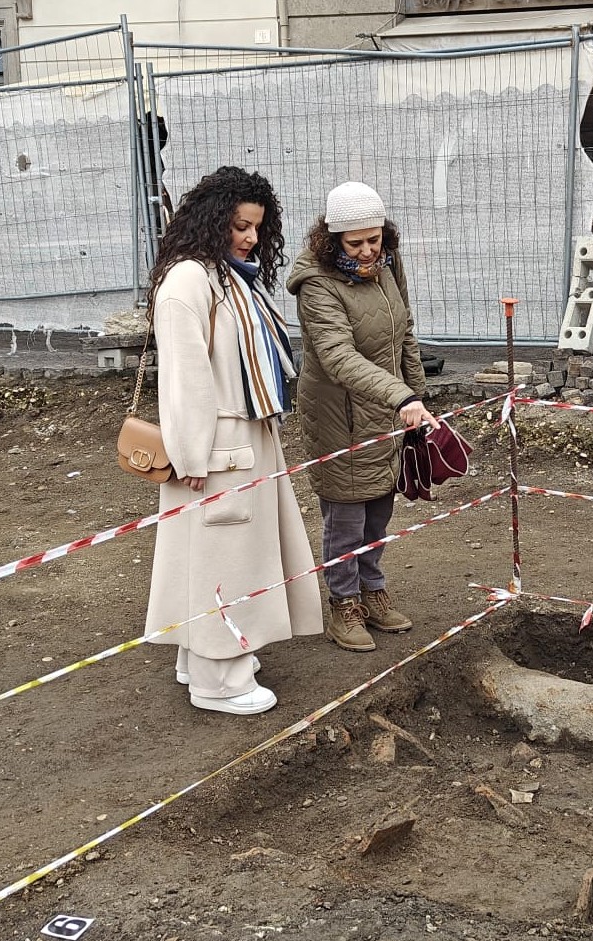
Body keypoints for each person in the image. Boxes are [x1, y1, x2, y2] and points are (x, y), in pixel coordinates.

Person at [143, 166, 322, 715]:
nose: (249, 238)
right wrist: (193, 452)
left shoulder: (223, 275)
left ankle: (198, 657)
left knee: (219, 554)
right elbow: (185, 377)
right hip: (217, 447)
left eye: (256, 229)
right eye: (240, 225)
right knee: (225, 558)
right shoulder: (191, 281)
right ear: (212, 219)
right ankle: (220, 681)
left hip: (239, 439)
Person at [285, 181, 438, 653]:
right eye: (356, 243)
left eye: (375, 238)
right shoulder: (316, 285)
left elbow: (403, 330)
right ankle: (343, 605)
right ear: (332, 241)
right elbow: (337, 356)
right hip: (341, 414)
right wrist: (400, 397)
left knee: (378, 511)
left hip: (388, 409)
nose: (369, 250)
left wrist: (417, 393)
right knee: (346, 516)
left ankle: (373, 592)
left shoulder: (387, 264)